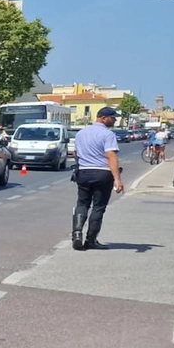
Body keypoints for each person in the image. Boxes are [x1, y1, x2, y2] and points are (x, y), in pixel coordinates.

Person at [70, 107, 125, 251]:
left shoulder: (81, 133)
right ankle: (91, 239)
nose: (114, 120)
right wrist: (117, 179)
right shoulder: (108, 134)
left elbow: (76, 154)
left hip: (83, 172)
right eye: (113, 117)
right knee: (99, 206)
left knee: (82, 203)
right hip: (102, 173)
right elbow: (111, 156)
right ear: (103, 117)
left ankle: (76, 234)